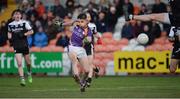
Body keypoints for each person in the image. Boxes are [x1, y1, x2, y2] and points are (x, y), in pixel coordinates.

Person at [126, 0, 180, 73]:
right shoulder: (172, 18)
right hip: (178, 46)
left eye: (171, 5)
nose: (169, 7)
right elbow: (152, 17)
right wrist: (132, 17)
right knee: (172, 69)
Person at [67, 13, 93, 92]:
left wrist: (85, 39)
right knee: (74, 61)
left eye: (83, 21)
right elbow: (70, 23)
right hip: (72, 47)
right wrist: (61, 24)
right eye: (80, 21)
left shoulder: (88, 31)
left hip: (81, 49)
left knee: (87, 71)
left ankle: (82, 82)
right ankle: (76, 75)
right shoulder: (77, 24)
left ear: (87, 22)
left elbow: (89, 40)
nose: (80, 23)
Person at [8, 9, 34, 86]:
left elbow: (31, 31)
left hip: (24, 45)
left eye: (19, 14)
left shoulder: (24, 23)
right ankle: (22, 79)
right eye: (16, 14)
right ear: (13, 16)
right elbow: (9, 33)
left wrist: (24, 34)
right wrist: (10, 40)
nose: (17, 15)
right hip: (16, 45)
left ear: (21, 16)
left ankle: (29, 72)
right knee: (19, 63)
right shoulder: (10, 25)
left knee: (28, 62)